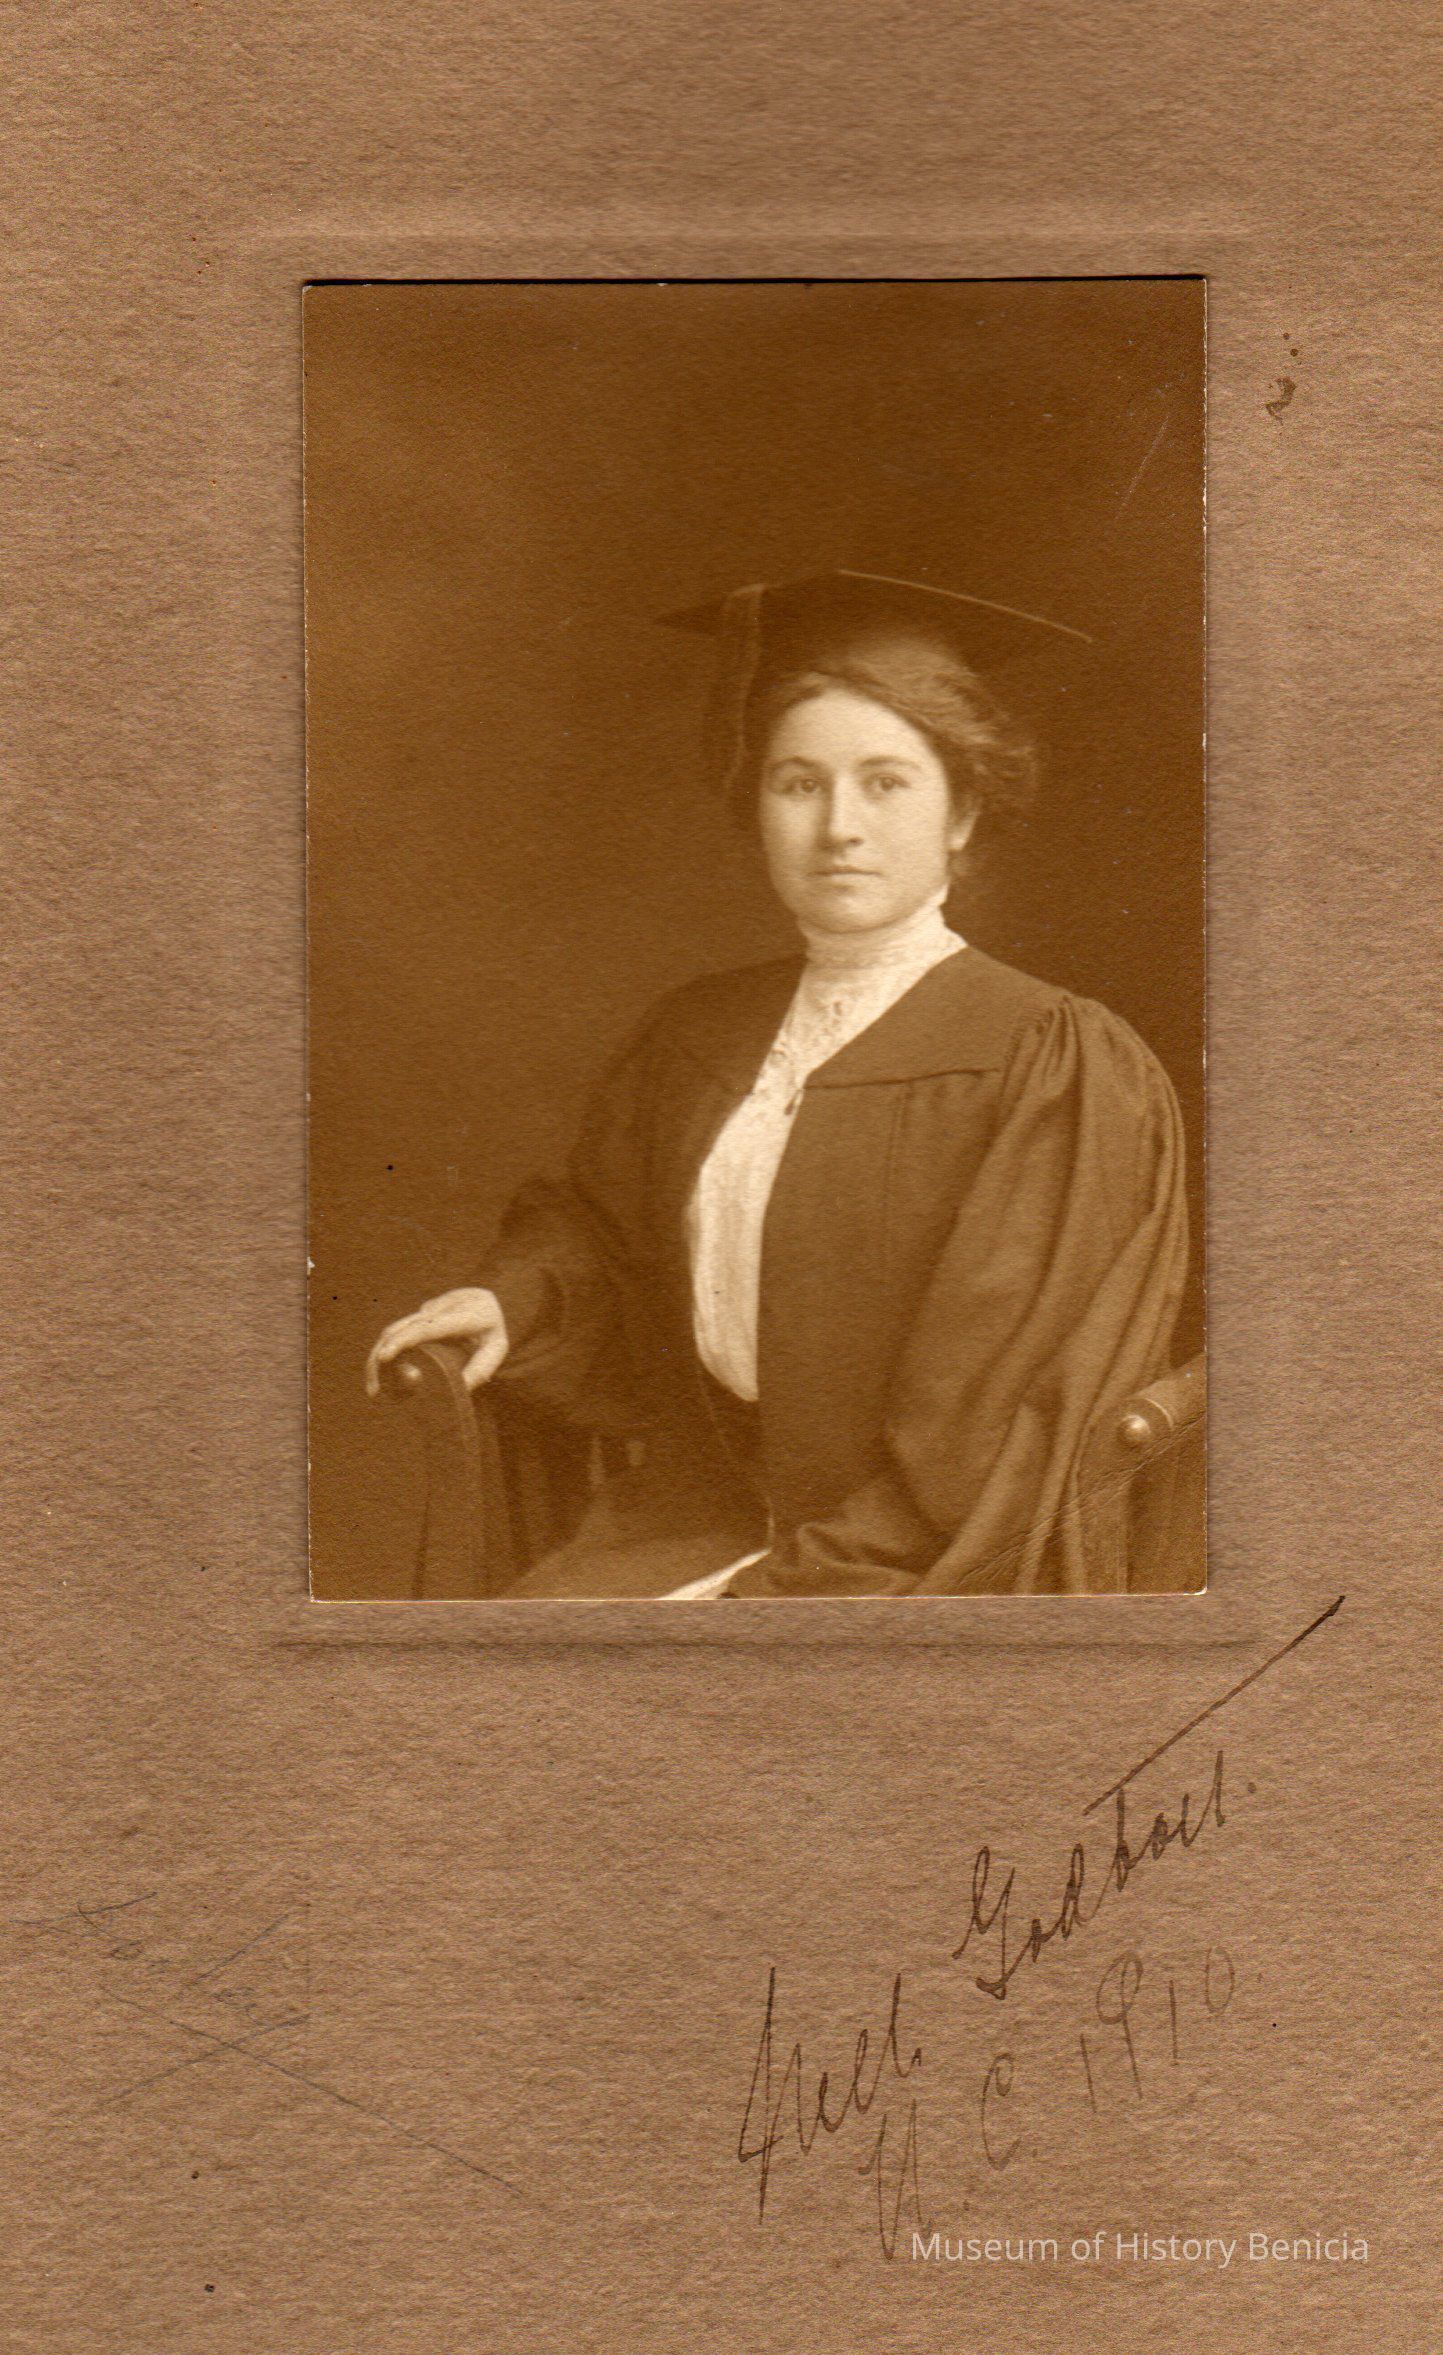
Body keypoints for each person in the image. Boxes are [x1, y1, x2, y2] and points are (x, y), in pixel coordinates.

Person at [366, 570, 1190, 1598]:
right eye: (798, 783)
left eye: (885, 783)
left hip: (916, 1561)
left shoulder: (1050, 1061)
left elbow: (993, 1423)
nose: (838, 826)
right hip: (694, 1517)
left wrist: (771, 1592)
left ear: (963, 811)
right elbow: (605, 1241)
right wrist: (514, 1302)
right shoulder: (700, 1032)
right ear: (755, 806)